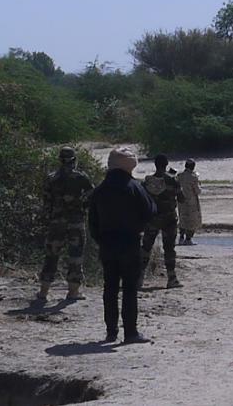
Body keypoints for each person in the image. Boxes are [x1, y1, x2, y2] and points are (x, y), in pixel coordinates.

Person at [88, 147, 156, 344]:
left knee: (109, 288)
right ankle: (130, 332)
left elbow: (92, 222)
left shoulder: (100, 189)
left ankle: (111, 332)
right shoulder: (134, 187)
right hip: (129, 243)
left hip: (107, 245)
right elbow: (150, 211)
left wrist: (101, 240)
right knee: (129, 289)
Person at [36, 147, 94, 302]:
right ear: (74, 160)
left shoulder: (51, 178)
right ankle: (73, 292)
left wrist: (48, 218)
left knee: (51, 255)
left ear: (60, 160)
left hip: (56, 222)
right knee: (76, 256)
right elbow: (91, 196)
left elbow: (46, 202)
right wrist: (82, 207)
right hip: (76, 222)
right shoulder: (81, 177)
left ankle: (43, 292)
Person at [141, 155, 184, 289]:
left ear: (155, 164)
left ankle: (138, 278)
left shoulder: (147, 181)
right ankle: (171, 278)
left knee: (146, 248)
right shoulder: (172, 180)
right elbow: (182, 198)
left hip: (152, 219)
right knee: (169, 249)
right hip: (169, 219)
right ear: (166, 164)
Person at [177, 159, 202, 246]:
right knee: (192, 220)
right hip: (191, 202)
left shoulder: (179, 176)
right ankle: (188, 239)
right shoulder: (193, 177)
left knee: (182, 219)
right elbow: (197, 191)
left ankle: (181, 238)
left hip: (181, 201)